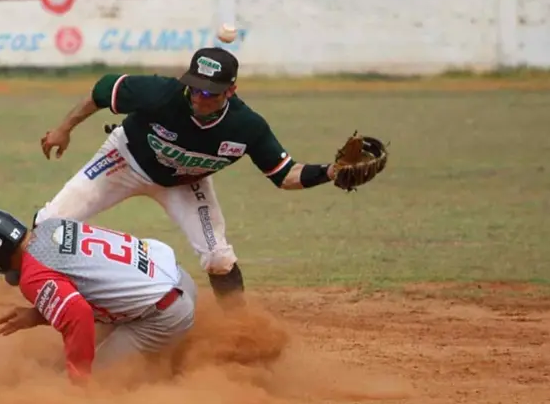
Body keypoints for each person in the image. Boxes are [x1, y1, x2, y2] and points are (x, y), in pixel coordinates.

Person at [37, 46, 350, 310]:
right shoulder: (160, 94)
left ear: (231, 90)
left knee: (218, 257)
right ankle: (41, 299)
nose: (199, 97)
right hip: (124, 159)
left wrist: (331, 172)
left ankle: (239, 331)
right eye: (195, 87)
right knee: (47, 224)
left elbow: (285, 175)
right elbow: (104, 89)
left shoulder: (246, 127)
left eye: (210, 92)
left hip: (186, 183)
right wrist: (65, 128)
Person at [0, 208, 198, 384]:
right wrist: (38, 315)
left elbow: (78, 315)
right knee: (67, 360)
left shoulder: (33, 274)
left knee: (76, 383)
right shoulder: (50, 228)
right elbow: (92, 283)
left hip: (164, 315)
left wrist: (79, 379)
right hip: (178, 278)